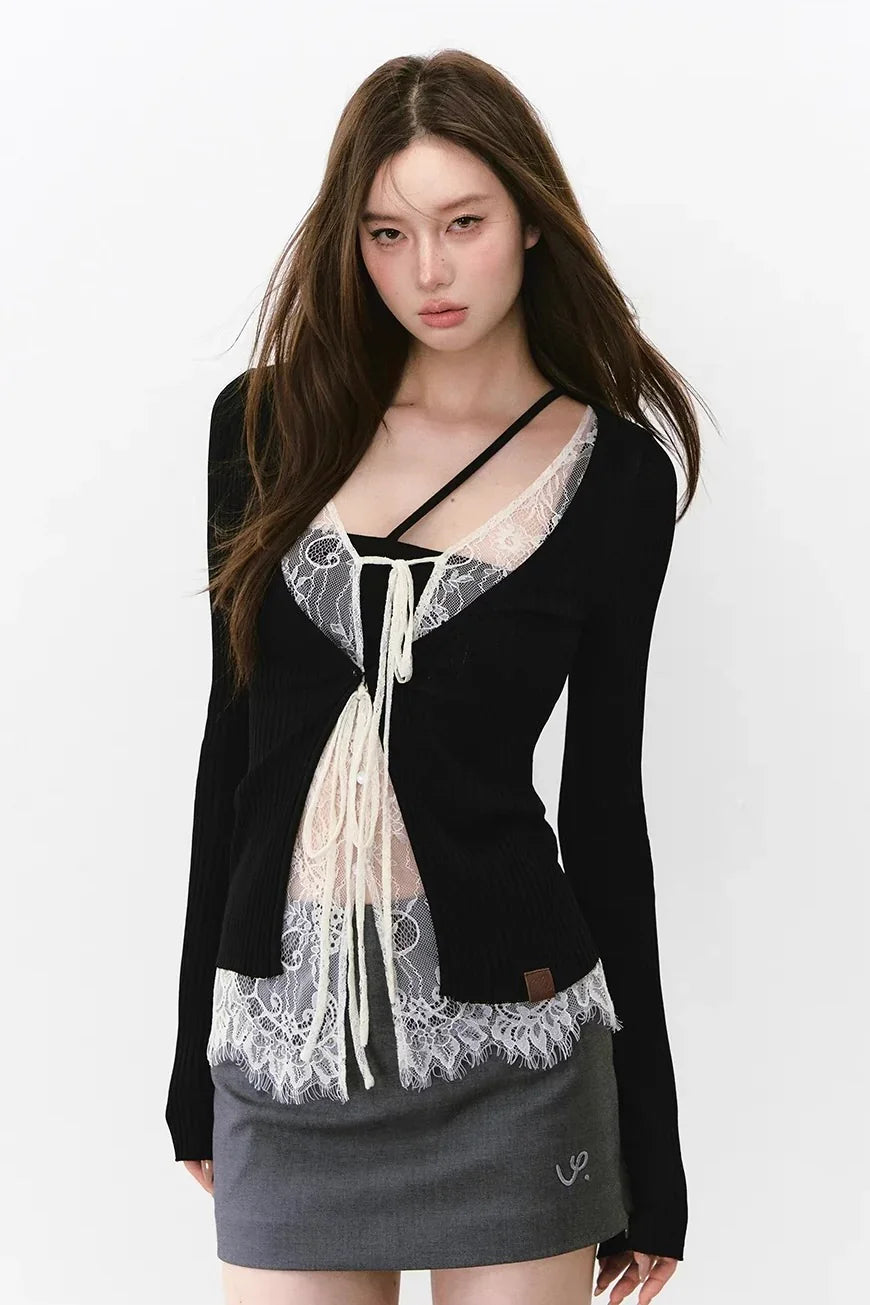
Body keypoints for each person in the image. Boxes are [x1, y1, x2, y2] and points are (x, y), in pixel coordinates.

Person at [165, 48, 703, 1305]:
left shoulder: (616, 477)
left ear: (532, 221)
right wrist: (192, 1062)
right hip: (284, 1059)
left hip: (517, 1061)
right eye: (388, 233)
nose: (428, 271)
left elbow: (605, 812)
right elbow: (230, 755)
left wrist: (653, 1149)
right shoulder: (261, 429)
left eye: (464, 223)